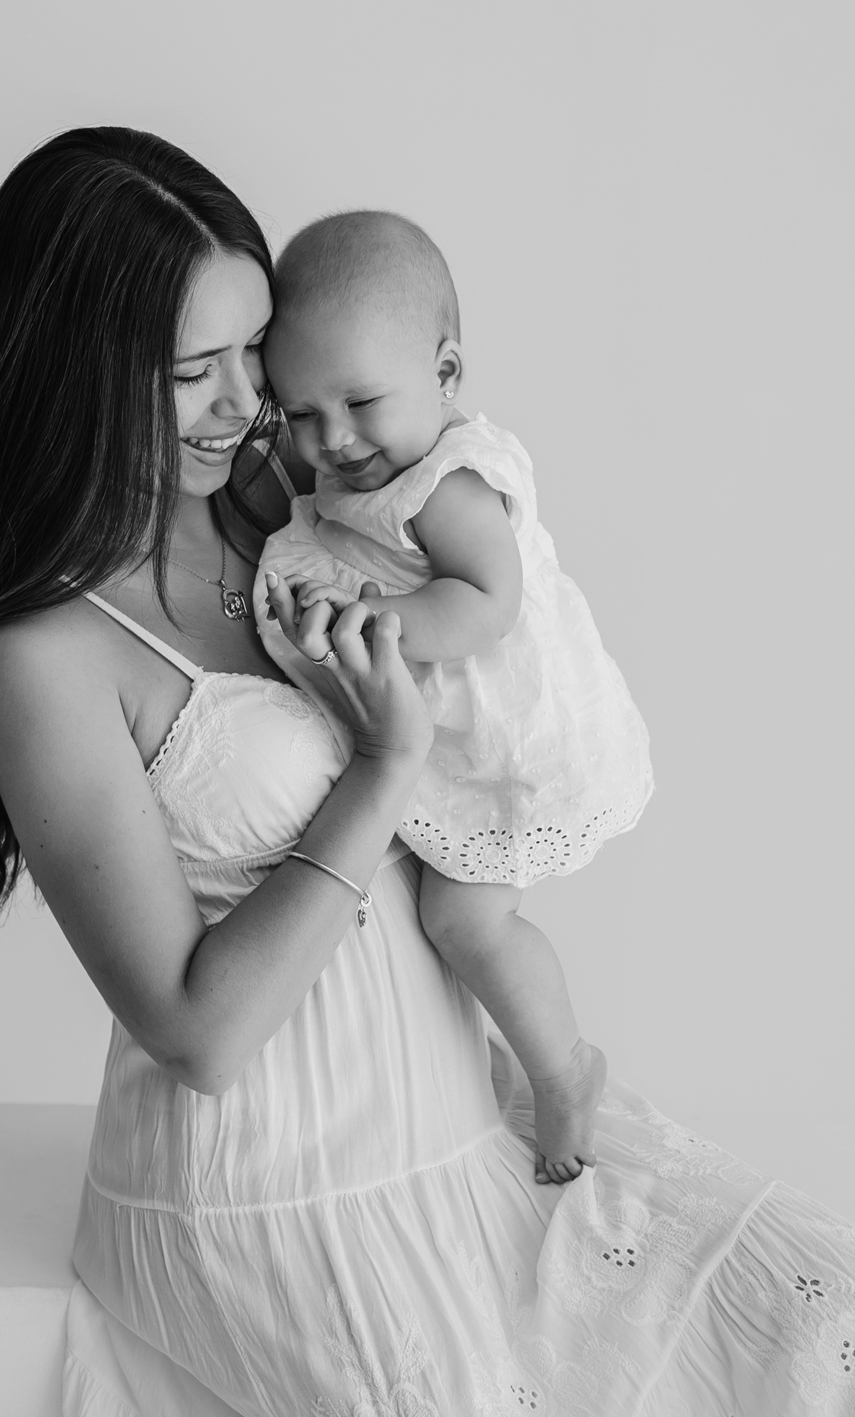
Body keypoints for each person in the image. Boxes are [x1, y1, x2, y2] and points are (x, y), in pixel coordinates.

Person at [0, 124, 855, 1417]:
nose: (246, 409)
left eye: (253, 358)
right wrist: (382, 763)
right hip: (268, 1187)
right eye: (192, 373)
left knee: (849, 1311)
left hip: (454, 1113)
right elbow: (195, 1029)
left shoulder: (282, 501)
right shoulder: (47, 656)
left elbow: (485, 574)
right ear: (80, 372)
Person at [253, 210, 652, 1183]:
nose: (332, 439)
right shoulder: (360, 471)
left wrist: (375, 615)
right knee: (409, 920)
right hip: (442, 747)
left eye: (359, 401)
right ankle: (466, 1072)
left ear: (445, 372)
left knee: (463, 923)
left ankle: (564, 1071)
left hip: (508, 750)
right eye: (300, 413)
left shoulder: (446, 480)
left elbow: (487, 600)